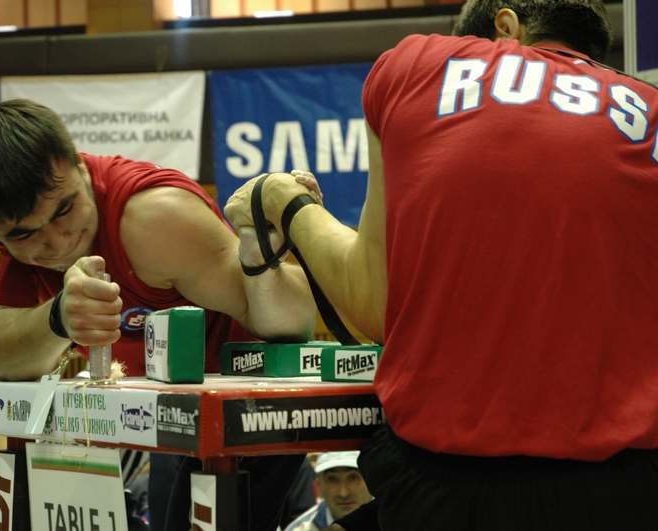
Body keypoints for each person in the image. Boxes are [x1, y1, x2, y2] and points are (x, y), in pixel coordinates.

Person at [225, 1, 658, 530]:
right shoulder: (649, 109)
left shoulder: (418, 66)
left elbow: (372, 304)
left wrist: (283, 203)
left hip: (452, 485)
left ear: (504, 28)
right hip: (625, 488)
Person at [0, 98, 316, 531]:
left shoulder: (154, 217)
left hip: (250, 415)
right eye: (23, 234)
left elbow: (289, 327)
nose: (57, 243)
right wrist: (59, 317)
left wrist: (263, 258)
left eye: (65, 208)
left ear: (79, 166)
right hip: (169, 425)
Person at [284, 452, 372, 531]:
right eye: (332, 479)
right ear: (318, 486)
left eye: (353, 477)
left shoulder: (385, 521)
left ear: (372, 481)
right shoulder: (300, 529)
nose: (343, 493)